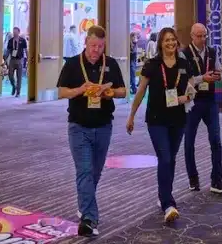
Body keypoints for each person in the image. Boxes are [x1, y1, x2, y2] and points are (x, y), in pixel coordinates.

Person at [57, 25, 126, 238]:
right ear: (86, 42)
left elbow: (123, 91)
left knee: (95, 172)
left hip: (104, 126)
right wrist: (81, 90)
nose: (96, 50)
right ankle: (89, 219)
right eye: (93, 45)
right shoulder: (72, 64)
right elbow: (61, 91)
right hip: (78, 126)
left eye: (100, 46)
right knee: (85, 171)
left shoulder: (111, 64)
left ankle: (84, 203)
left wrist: (108, 92)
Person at [127, 27, 192, 225]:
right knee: (164, 157)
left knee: (170, 160)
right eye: (166, 40)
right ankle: (168, 203)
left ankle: (163, 194)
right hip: (156, 120)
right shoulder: (152, 65)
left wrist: (186, 97)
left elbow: (191, 90)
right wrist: (131, 116)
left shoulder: (184, 63)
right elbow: (140, 91)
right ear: (160, 44)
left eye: (173, 40)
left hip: (178, 118)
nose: (170, 43)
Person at [181, 23, 222, 194]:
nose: (202, 39)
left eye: (205, 36)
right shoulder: (184, 54)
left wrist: (219, 75)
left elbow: (221, 71)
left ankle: (217, 180)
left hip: (209, 101)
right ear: (192, 36)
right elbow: (184, 81)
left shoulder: (212, 51)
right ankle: (193, 178)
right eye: (199, 36)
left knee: (216, 139)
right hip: (192, 101)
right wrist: (203, 78)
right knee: (189, 141)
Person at [5, 27, 27, 97]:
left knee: (19, 76)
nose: (14, 33)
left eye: (16, 31)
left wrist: (28, 60)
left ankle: (18, 92)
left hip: (20, 60)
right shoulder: (10, 41)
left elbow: (26, 50)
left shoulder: (22, 40)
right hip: (12, 59)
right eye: (13, 32)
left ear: (18, 32)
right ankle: (13, 86)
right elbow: (8, 51)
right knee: (10, 75)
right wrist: (5, 59)